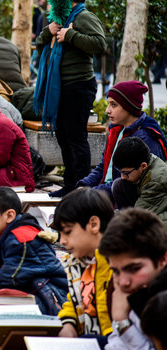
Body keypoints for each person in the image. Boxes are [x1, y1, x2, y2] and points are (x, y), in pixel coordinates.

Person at [35, 0, 107, 198]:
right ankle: (70, 185)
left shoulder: (84, 17)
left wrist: (71, 35)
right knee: (63, 136)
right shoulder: (58, 19)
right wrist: (49, 31)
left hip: (79, 86)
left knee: (76, 137)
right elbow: (39, 45)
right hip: (59, 87)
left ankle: (82, 190)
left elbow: (99, 44)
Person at [0, 187, 68, 315]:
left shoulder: (22, 240)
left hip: (53, 299)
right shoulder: (0, 239)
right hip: (30, 291)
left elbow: (7, 279)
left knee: (0, 295)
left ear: (9, 215)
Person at [78, 81, 167, 197]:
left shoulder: (145, 138)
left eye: (113, 105)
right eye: (108, 104)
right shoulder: (117, 131)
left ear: (129, 107)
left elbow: (130, 185)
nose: (107, 110)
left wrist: (93, 193)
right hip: (107, 192)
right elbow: (103, 167)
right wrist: (84, 185)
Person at [51, 188, 115, 345]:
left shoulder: (119, 265)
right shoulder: (78, 262)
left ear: (94, 224)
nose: (62, 241)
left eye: (67, 232)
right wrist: (68, 323)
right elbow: (74, 301)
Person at [98, 208, 167, 350]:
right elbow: (116, 344)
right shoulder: (130, 290)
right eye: (115, 271)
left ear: (162, 260)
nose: (124, 282)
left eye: (134, 269)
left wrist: (122, 323)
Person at [111, 137, 167, 224]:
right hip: (149, 205)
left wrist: (104, 216)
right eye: (120, 172)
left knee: (142, 225)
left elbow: (137, 214)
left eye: (126, 173)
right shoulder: (146, 160)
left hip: (162, 216)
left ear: (143, 166)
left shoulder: (155, 180)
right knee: (119, 185)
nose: (123, 177)